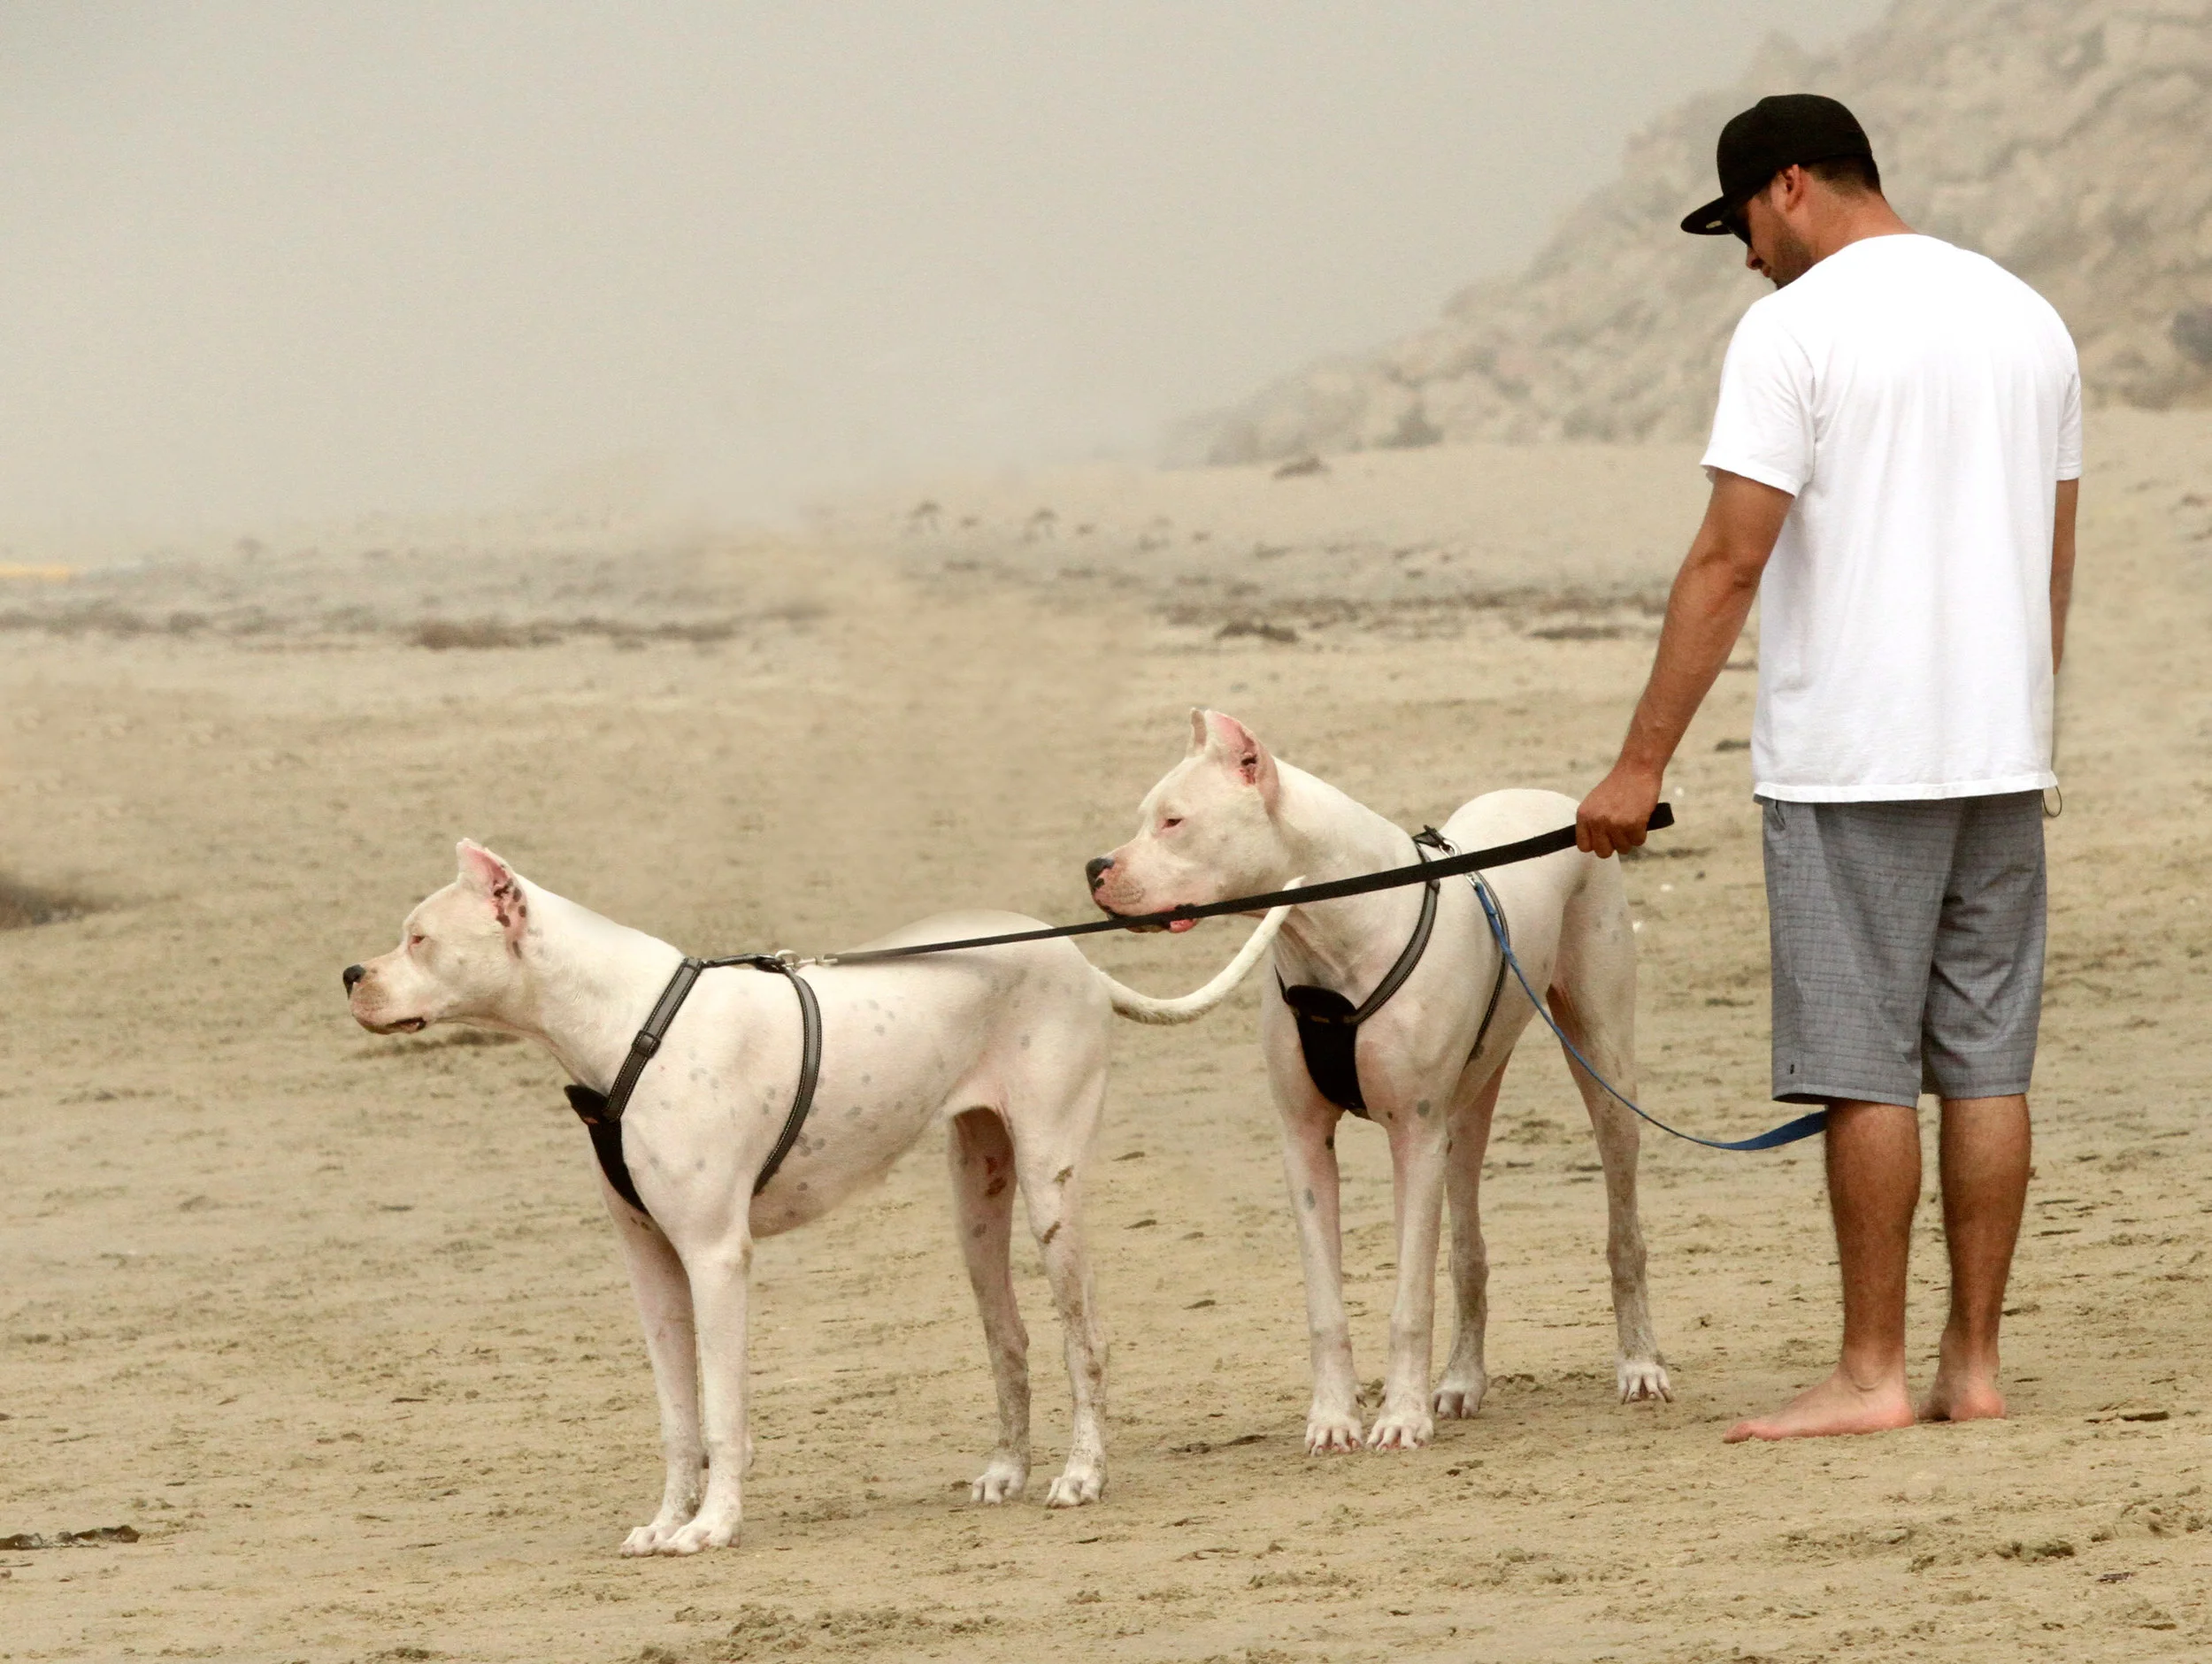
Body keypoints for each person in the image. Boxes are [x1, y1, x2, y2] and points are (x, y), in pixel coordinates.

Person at [1575, 94, 2080, 1442]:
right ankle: (1971, 1370)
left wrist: (1639, 763)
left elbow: (1729, 558)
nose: (1744, 253)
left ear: (1789, 185)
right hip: (1998, 747)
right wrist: (2030, 720)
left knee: (1864, 1069)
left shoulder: (1794, 330)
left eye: (1741, 219)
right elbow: (2052, 555)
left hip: (1860, 755)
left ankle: (1870, 1373)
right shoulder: (2026, 317)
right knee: (1984, 1066)